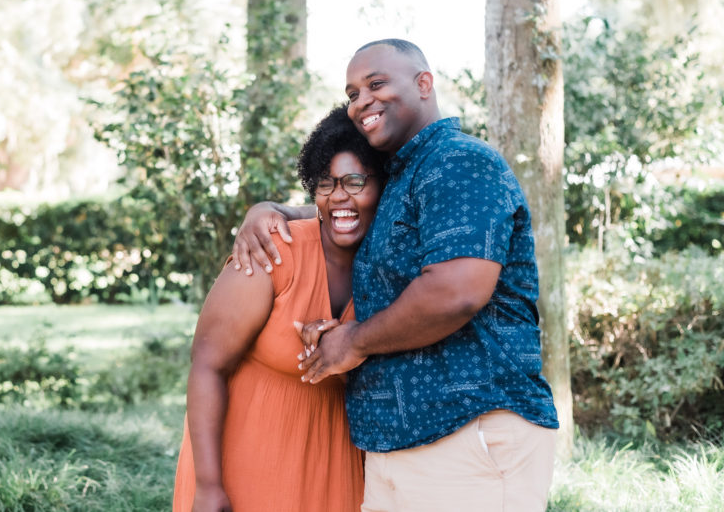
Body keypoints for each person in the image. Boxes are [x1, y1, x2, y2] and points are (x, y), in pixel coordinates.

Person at [232, 38, 559, 511]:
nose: (360, 101)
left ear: (424, 83)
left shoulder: (459, 163)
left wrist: (353, 340)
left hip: (469, 432)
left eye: (376, 84)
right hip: (400, 445)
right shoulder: (404, 176)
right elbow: (343, 206)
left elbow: (456, 291)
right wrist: (270, 209)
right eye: (352, 93)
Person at [172, 104, 388, 512]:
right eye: (325, 183)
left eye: (356, 181)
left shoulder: (388, 266)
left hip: (336, 462)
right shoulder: (273, 251)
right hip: (246, 460)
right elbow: (206, 364)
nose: (339, 195)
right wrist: (207, 485)